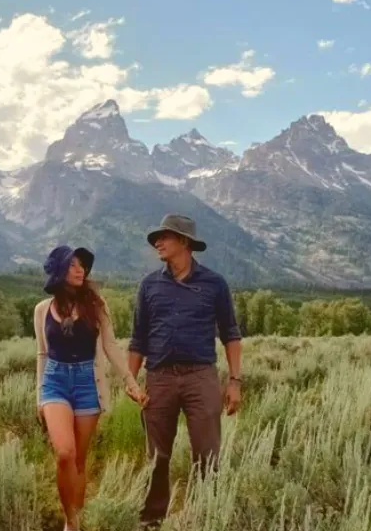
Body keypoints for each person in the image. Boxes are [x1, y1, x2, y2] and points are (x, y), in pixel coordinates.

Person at [128, 214, 243, 530]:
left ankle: (207, 516)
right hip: (159, 378)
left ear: (185, 243)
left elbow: (230, 334)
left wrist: (234, 381)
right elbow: (138, 338)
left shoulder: (215, 284)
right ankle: (151, 519)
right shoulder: (149, 285)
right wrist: (130, 379)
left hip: (201, 376)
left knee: (207, 454)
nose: (157, 243)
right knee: (157, 457)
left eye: (164, 237)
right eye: (157, 238)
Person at [34, 245, 148, 531]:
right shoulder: (42, 310)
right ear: (59, 271)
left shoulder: (97, 305)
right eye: (72, 265)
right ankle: (70, 520)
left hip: (88, 382)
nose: (79, 269)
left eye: (82, 264)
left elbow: (110, 345)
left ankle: (75, 523)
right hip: (55, 382)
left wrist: (130, 381)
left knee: (80, 461)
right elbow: (42, 355)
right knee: (64, 454)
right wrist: (39, 396)